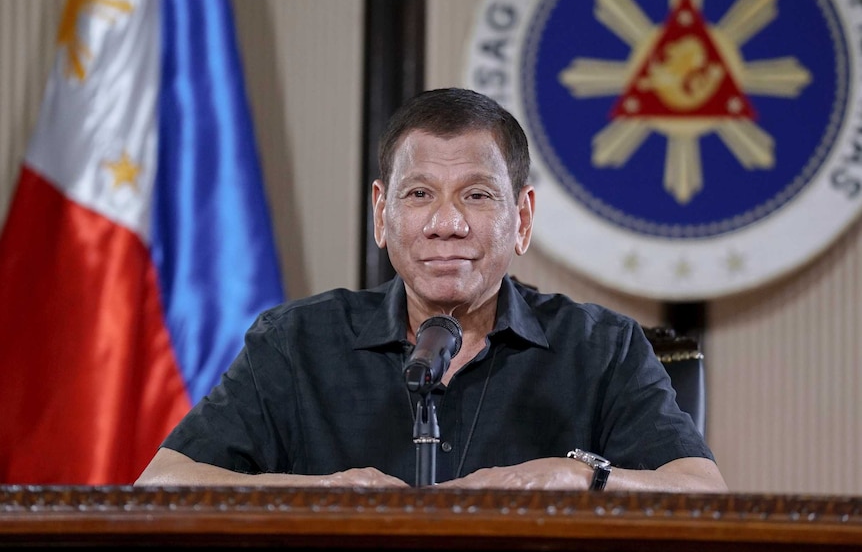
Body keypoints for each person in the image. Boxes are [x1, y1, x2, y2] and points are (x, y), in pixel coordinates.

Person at [135, 87, 728, 492]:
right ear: (380, 214)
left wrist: (579, 477)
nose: (447, 222)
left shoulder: (601, 349)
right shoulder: (298, 342)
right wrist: (322, 494)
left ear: (521, 219)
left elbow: (701, 494)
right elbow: (163, 483)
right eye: (419, 194)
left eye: (477, 194)